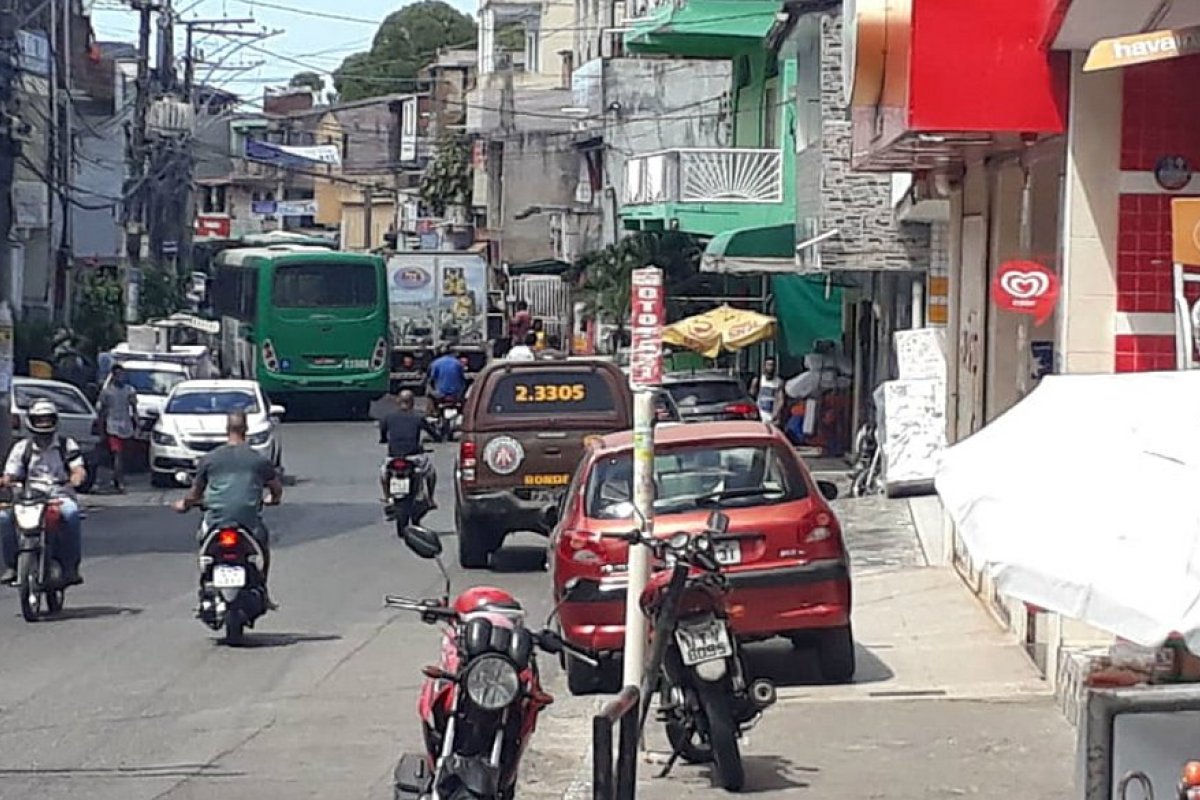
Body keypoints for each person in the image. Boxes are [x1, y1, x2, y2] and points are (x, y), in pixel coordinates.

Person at [173, 410, 283, 603]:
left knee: (202, 544)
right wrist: (272, 499)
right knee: (262, 548)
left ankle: (205, 580)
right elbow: (276, 489)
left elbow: (195, 493)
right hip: (248, 522)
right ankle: (263, 589)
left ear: (227, 430)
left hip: (216, 520)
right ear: (246, 429)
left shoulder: (210, 459)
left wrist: (184, 504)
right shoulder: (258, 459)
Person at [0, 400, 87, 586]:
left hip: (59, 496)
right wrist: (6, 481)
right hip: (28, 499)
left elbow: (78, 468)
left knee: (71, 515)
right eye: (39, 420)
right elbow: (10, 474)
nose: (44, 424)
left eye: (47, 420)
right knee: (4, 518)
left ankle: (70, 567)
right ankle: (12, 566)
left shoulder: (67, 445)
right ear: (31, 422)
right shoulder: (22, 448)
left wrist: (76, 477)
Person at [378, 390, 440, 520]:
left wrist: (384, 439)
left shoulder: (388, 417)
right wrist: (437, 438)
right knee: (431, 473)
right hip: (414, 457)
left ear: (398, 401)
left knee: (384, 474)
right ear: (412, 402)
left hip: (393, 457)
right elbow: (432, 432)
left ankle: (388, 497)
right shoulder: (418, 417)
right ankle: (430, 499)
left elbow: (383, 433)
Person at [96, 364, 138, 493]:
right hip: (112, 426)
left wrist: (137, 422)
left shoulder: (129, 390)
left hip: (126, 425)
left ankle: (117, 476)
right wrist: (101, 429)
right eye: (118, 374)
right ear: (113, 376)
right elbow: (102, 411)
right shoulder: (107, 392)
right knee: (117, 455)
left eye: (122, 374)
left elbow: (134, 408)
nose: (120, 377)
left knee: (124, 455)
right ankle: (119, 482)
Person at [749, 357, 784, 424]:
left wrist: (776, 413)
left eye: (772, 365)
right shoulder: (758, 380)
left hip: (773, 418)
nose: (770, 368)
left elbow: (781, 400)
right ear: (764, 366)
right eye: (768, 365)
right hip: (759, 417)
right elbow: (751, 397)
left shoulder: (779, 382)